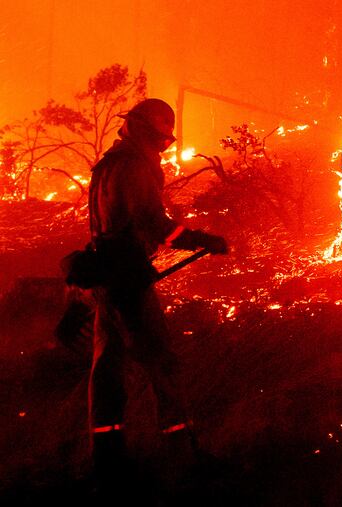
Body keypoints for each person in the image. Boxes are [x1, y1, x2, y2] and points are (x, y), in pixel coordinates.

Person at [86, 98, 227, 494]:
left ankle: (107, 461)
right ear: (152, 133)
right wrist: (200, 239)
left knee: (108, 370)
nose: (164, 147)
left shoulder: (111, 161)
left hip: (105, 277)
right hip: (128, 278)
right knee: (162, 364)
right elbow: (151, 221)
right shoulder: (135, 165)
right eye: (163, 139)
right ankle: (182, 458)